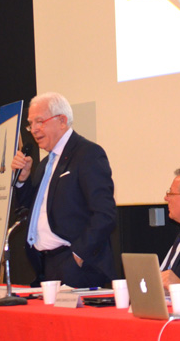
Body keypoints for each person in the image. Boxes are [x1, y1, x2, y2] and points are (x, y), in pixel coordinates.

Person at [11, 92, 117, 287]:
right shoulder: (45, 164)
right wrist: (23, 180)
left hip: (78, 268)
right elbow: (30, 210)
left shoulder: (88, 154)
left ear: (62, 121)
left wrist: (78, 255)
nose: (33, 130)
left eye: (39, 122)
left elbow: (105, 214)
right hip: (45, 266)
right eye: (30, 124)